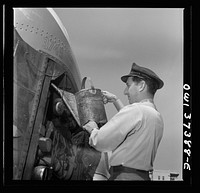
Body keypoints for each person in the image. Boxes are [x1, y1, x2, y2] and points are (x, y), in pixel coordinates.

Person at [83, 62, 164, 181]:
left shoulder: (135, 111)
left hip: (123, 176)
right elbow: (133, 127)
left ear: (141, 85)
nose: (125, 91)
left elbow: (100, 141)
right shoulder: (156, 116)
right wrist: (116, 100)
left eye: (128, 85)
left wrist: (93, 129)